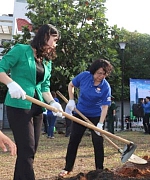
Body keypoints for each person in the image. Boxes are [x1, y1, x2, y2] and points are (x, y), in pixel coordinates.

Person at [0, 24, 63, 180]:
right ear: (45, 36)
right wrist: (10, 83)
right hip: (18, 107)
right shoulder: (21, 50)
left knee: (29, 151)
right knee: (27, 149)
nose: (55, 45)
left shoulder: (47, 61)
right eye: (54, 40)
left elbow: (45, 87)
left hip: (37, 108)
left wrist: (53, 103)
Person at [58, 59, 113, 177]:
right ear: (93, 71)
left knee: (98, 142)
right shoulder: (84, 76)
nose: (101, 76)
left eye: (104, 74)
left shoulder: (105, 87)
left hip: (96, 116)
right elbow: (71, 85)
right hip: (80, 113)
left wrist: (100, 124)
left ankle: (99, 169)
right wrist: (71, 100)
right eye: (99, 73)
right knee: (74, 140)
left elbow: (105, 107)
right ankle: (68, 167)